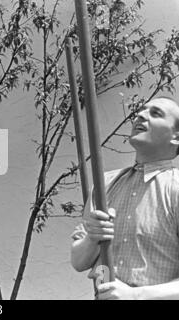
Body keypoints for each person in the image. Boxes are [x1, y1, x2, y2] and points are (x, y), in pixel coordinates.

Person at [70, 97, 179, 300]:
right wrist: (92, 237)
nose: (140, 115)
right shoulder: (105, 184)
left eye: (155, 113)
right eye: (141, 110)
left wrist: (135, 295)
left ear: (176, 137)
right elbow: (78, 261)